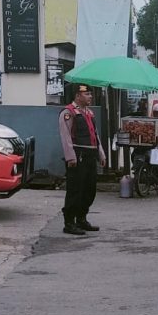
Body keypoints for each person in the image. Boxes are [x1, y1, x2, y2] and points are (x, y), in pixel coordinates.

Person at [59, 85, 107, 235]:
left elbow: (95, 136)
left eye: (90, 94)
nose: (90, 96)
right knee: (75, 189)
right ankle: (69, 223)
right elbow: (65, 136)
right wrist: (70, 157)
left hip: (90, 155)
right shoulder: (68, 113)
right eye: (87, 94)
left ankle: (81, 218)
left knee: (89, 189)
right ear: (77, 96)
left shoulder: (89, 113)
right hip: (77, 155)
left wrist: (101, 154)